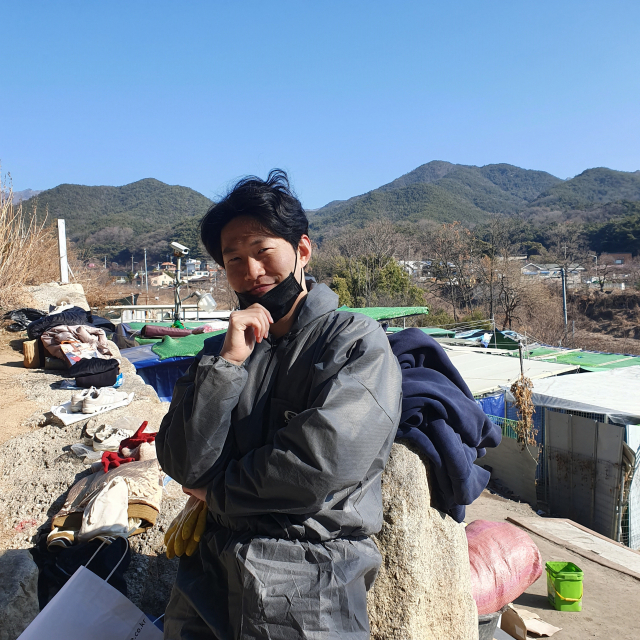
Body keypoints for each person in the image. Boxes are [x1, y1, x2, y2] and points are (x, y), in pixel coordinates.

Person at [156, 169, 402, 640]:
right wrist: (227, 364)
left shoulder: (353, 341)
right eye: (234, 260)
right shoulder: (219, 352)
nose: (250, 272)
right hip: (208, 568)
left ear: (302, 250)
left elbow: (320, 463)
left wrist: (218, 492)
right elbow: (183, 460)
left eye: (263, 251)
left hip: (308, 572)